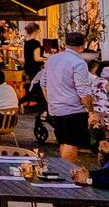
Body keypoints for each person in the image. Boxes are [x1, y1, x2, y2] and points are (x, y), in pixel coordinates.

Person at [38, 31, 99, 167]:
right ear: (82, 46)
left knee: (63, 142)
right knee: (72, 143)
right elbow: (83, 90)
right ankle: (68, 172)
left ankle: (64, 169)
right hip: (73, 109)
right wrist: (91, 111)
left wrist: (50, 101)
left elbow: (43, 83)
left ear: (64, 44)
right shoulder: (79, 63)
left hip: (55, 109)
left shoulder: (52, 59)